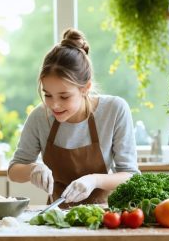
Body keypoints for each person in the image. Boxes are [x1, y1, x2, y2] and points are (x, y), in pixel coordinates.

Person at [8, 28, 140, 206]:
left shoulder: (114, 110)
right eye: (48, 95)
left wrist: (94, 180)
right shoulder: (40, 116)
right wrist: (33, 169)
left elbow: (130, 175)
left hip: (103, 216)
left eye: (64, 96)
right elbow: (14, 171)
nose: (54, 105)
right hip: (56, 216)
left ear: (85, 88)